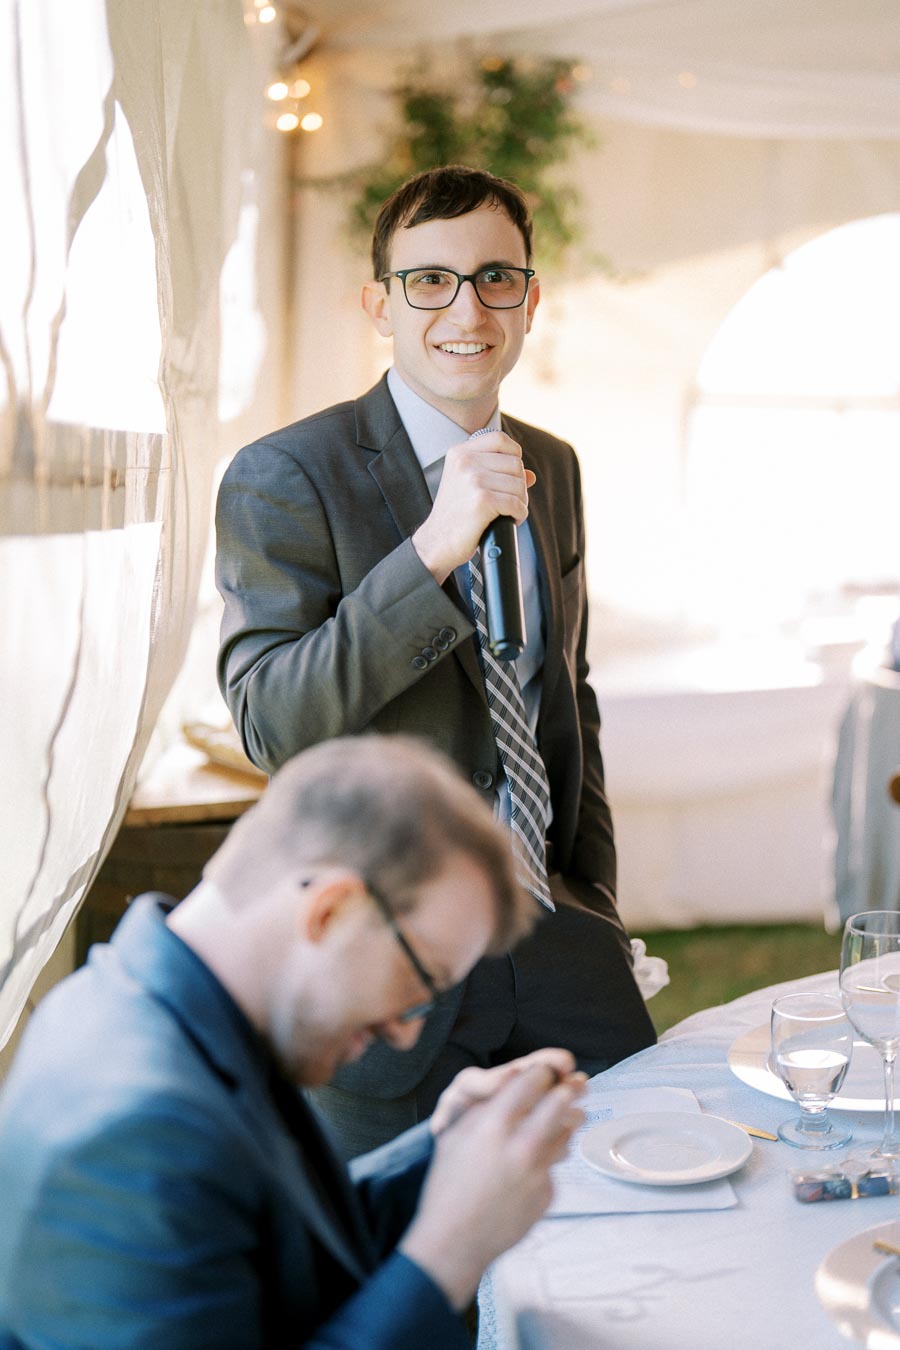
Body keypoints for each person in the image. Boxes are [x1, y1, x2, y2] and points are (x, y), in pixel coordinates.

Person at [215, 162, 656, 1158]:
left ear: (530, 300)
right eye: (429, 280)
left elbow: (564, 696)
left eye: (497, 277)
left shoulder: (557, 463)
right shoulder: (285, 474)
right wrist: (430, 553)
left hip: (563, 947)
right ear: (381, 303)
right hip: (388, 968)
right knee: (408, 1282)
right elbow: (274, 722)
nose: (468, 306)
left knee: (629, 1224)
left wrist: (597, 902)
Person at [0, 735, 585, 1349]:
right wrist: (449, 1253)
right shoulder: (137, 1135)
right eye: (420, 980)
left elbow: (268, 1243)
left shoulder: (151, 1004)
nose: (407, 1030)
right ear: (330, 910)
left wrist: (444, 1148)